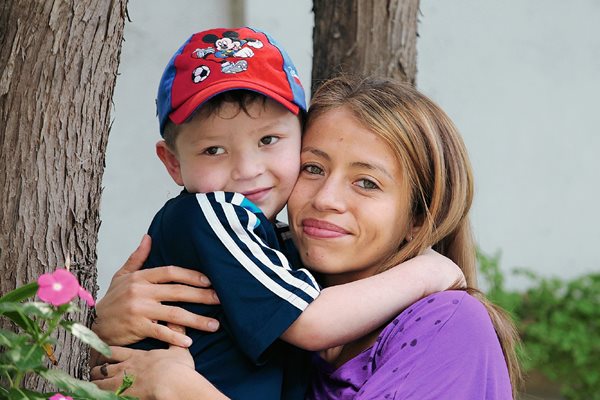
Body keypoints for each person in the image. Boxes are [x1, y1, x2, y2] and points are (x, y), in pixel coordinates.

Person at [92, 75, 521, 399]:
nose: (326, 199)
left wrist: (184, 391)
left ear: (417, 217)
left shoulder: (448, 324)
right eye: (313, 168)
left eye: (367, 182)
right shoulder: (274, 290)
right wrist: (103, 332)